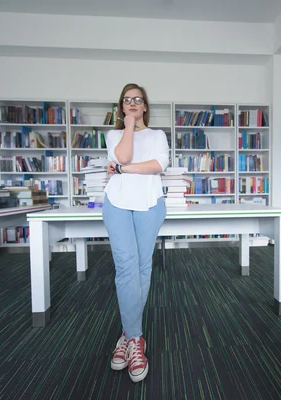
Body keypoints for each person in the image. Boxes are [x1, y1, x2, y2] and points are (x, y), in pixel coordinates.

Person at [102, 83, 169, 383]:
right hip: (116, 203)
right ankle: (135, 340)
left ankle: (127, 334)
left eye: (137, 100)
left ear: (145, 106)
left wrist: (121, 169)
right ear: (121, 107)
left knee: (142, 269)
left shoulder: (158, 136)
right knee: (126, 267)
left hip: (149, 204)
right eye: (126, 100)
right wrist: (128, 126)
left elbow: (158, 165)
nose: (131, 103)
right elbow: (124, 156)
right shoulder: (114, 135)